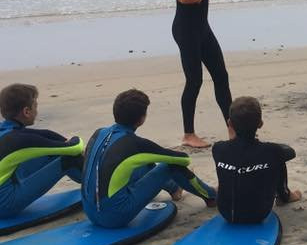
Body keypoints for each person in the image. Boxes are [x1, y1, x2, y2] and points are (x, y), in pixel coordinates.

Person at [82, 89, 216, 228]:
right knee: (171, 166)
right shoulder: (135, 144)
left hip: (90, 211)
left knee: (140, 164)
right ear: (141, 119)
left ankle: (174, 188)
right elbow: (183, 160)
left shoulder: (98, 133)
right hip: (115, 216)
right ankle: (211, 196)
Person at [170, 0, 249, 148]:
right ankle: (188, 134)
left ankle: (232, 128)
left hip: (202, 27)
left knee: (221, 76)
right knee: (194, 81)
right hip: (185, 28)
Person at [0, 83, 84, 219]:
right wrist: (75, 141)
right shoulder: (18, 141)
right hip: (1, 205)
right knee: (68, 159)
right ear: (26, 111)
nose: (37, 110)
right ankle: (94, 184)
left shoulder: (0, 129)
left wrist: (63, 140)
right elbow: (74, 148)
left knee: (54, 151)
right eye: (35, 106)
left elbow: (44, 134)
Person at [211, 96, 302, 224]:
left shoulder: (218, 148)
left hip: (226, 212)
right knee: (278, 159)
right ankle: (285, 196)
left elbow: (239, 154)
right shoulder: (271, 150)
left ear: (229, 123)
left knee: (234, 163)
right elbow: (290, 152)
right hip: (258, 213)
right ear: (260, 124)